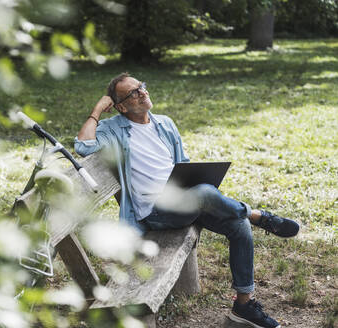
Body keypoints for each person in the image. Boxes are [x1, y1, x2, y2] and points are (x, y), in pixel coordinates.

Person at [74, 72, 300, 328]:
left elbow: (182, 165)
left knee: (239, 226)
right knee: (205, 193)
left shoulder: (165, 124)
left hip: (183, 201)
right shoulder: (114, 129)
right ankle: (258, 215)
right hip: (156, 212)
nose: (143, 92)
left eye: (142, 86)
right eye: (133, 92)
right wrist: (97, 110)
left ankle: (244, 305)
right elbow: (83, 146)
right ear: (121, 106)